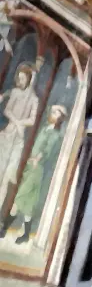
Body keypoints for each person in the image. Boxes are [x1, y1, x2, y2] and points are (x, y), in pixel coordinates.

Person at [2, 105, 68, 244]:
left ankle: (3, 229)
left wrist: (37, 158)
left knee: (19, 197)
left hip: (37, 168)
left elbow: (47, 149)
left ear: (60, 118)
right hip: (29, 166)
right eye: (52, 111)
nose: (52, 114)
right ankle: (25, 234)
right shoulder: (44, 129)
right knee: (27, 205)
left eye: (56, 113)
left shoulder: (55, 134)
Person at [0, 63, 39, 209]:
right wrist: (17, 123)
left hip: (18, 140)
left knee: (6, 178)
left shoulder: (34, 99)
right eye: (20, 78)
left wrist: (21, 124)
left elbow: (32, 120)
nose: (20, 81)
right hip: (7, 134)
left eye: (23, 78)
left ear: (30, 79)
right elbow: (7, 110)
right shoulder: (16, 92)